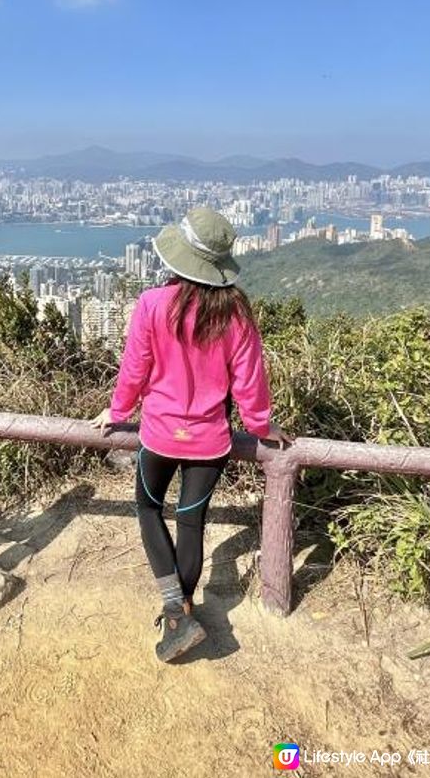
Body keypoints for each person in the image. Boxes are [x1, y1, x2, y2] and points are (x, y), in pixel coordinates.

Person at [90, 207, 291, 662]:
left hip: (159, 435)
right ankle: (183, 611)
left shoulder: (153, 303)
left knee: (146, 507)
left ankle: (175, 610)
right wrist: (263, 427)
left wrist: (117, 411)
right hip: (211, 442)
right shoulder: (236, 313)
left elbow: (134, 370)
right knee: (190, 521)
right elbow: (249, 383)